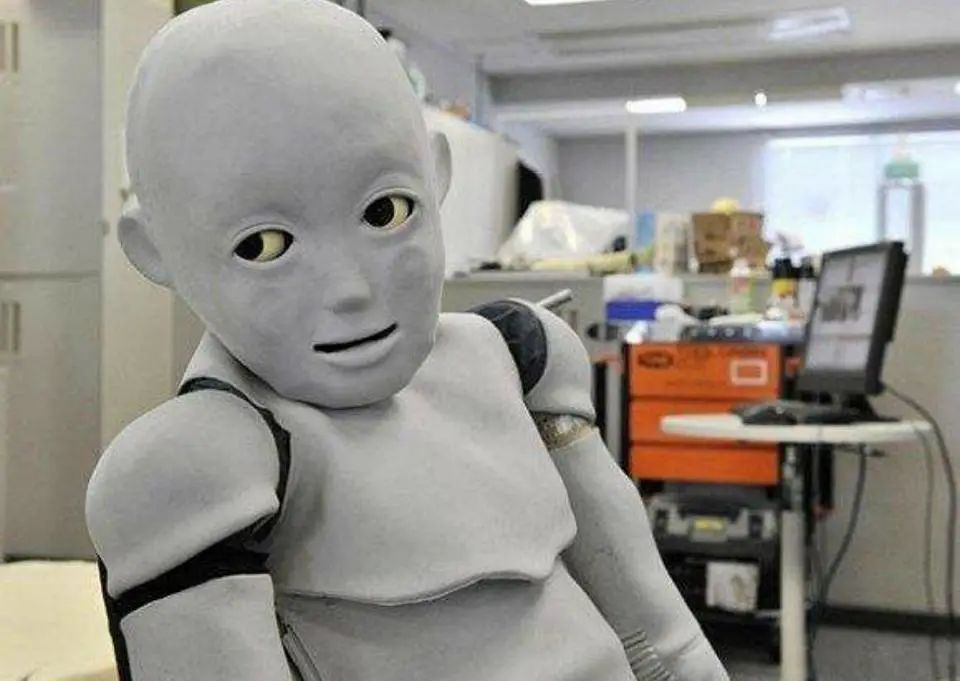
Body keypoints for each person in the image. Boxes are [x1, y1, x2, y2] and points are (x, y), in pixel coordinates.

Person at [86, 2, 728, 680]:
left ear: (436, 173)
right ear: (154, 250)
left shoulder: (516, 359)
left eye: (385, 211)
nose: (352, 288)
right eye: (263, 246)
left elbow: (662, 637)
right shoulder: (199, 465)